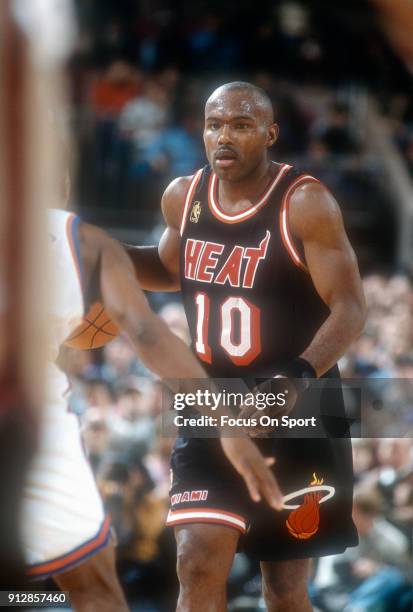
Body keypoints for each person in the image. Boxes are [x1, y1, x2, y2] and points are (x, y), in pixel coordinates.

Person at [126, 81, 367, 611]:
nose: (224, 137)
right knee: (196, 559)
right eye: (214, 125)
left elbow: (351, 307)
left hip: (300, 404)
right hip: (210, 402)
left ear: (270, 133)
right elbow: (168, 269)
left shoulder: (304, 203)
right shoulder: (183, 196)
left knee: (283, 591)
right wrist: (100, 254)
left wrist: (297, 376)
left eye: (240, 125)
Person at [21, 199, 282, 612]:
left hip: (36, 411)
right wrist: (228, 426)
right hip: (31, 412)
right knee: (90, 588)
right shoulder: (86, 242)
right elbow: (147, 334)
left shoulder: (90, 245)